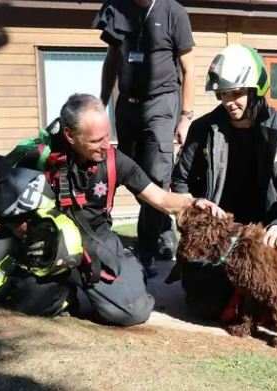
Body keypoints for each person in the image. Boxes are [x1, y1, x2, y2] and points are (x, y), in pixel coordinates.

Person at [0, 93, 222, 327]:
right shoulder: (40, 155)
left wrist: (192, 203)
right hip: (49, 242)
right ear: (70, 135)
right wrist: (21, 227)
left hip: (98, 240)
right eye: (96, 141)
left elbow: (158, 197)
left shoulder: (115, 160)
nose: (105, 145)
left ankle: (128, 272)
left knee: (132, 312)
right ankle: (63, 293)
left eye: (107, 136)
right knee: (25, 301)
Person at [170, 44, 277, 320]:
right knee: (204, 307)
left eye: (237, 93)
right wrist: (194, 208)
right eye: (223, 94)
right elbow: (179, 182)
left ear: (256, 90)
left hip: (267, 235)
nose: (229, 101)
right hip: (219, 238)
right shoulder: (203, 129)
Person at [93, 0, 196, 273]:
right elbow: (112, 59)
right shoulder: (115, 8)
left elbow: (189, 69)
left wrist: (186, 116)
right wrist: (101, 105)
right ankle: (162, 232)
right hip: (126, 104)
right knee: (128, 172)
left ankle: (146, 253)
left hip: (161, 103)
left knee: (155, 175)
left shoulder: (174, 12)